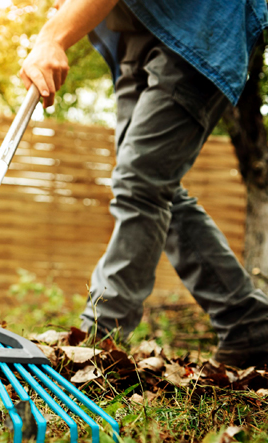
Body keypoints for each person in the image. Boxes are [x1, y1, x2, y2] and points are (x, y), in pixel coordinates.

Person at [19, 0, 268, 367]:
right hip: (136, 28)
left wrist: (53, 38)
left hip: (200, 24)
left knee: (141, 184)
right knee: (150, 187)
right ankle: (249, 325)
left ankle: (101, 337)